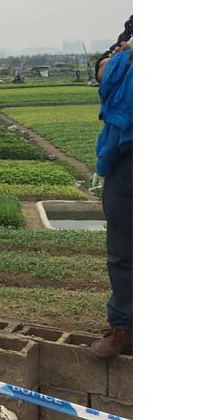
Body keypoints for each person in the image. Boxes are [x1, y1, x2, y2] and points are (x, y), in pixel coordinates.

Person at [91, 34, 133, 359]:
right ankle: (124, 328)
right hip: (125, 153)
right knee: (121, 248)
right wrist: (124, 54)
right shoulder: (132, 31)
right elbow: (102, 70)